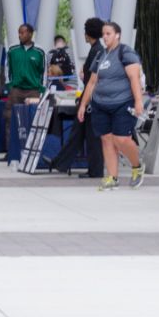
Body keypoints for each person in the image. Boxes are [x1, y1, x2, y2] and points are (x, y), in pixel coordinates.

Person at [77, 21, 146, 192]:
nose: (105, 37)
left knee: (121, 139)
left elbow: (134, 78)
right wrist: (83, 105)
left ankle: (137, 165)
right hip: (100, 104)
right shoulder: (100, 55)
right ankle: (112, 177)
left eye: (109, 34)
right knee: (106, 139)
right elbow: (92, 82)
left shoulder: (125, 52)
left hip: (122, 102)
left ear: (117, 35)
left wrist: (138, 101)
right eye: (103, 34)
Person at [50, 17, 106, 178]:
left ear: (88, 34)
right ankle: (60, 163)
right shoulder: (96, 50)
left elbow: (93, 79)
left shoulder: (97, 51)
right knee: (79, 133)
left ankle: (94, 170)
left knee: (90, 135)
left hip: (91, 99)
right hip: (90, 98)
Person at [4, 23, 45, 141]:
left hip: (33, 91)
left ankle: (31, 149)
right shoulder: (12, 50)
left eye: (22, 33)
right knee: (10, 119)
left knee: (34, 120)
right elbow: (7, 68)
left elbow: (44, 73)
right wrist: (10, 86)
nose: (19, 35)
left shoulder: (40, 51)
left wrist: (42, 90)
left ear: (30, 34)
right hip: (16, 90)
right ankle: (10, 152)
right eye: (19, 33)